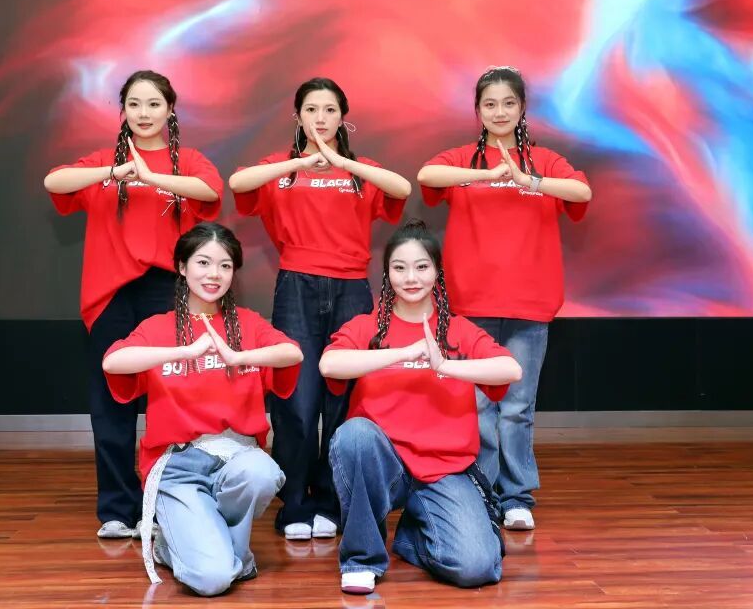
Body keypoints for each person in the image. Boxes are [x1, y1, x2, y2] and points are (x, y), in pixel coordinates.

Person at [228, 77, 411, 541]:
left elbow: (401, 188)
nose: (321, 118)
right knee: (297, 400)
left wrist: (342, 162)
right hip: (297, 286)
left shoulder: (360, 171)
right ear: (298, 116)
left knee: (344, 400)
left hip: (352, 289)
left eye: (330, 110)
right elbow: (237, 183)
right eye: (312, 110)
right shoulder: (281, 169)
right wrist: (300, 161)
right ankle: (294, 503)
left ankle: (332, 499)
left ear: (343, 117)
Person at [44, 70, 223, 538]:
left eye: (154, 104)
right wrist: (115, 172)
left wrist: (152, 176)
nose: (144, 113)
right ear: (123, 110)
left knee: (174, 398)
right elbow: (54, 181)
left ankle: (171, 502)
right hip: (111, 295)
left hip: (166, 289)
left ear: (170, 110)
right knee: (111, 403)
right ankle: (118, 509)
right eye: (135, 104)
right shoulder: (104, 161)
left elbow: (211, 192)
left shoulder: (187, 161)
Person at [417, 65, 591, 531]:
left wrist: (528, 181)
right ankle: (480, 490)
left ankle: (516, 497)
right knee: (476, 405)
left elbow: (580, 191)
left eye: (508, 103)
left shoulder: (543, 160)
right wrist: (487, 174)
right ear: (477, 110)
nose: (499, 111)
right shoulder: (462, 159)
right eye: (490, 104)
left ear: (522, 108)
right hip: (471, 304)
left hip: (530, 304)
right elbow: (427, 175)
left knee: (516, 408)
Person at [320, 219, 522, 594]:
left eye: (421, 267)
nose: (411, 277)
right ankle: (362, 558)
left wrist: (444, 365)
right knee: (354, 435)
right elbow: (330, 364)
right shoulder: (366, 327)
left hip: (445, 469)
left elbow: (511, 369)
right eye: (399, 268)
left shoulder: (459, 330)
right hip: (386, 466)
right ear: (387, 274)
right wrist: (405, 352)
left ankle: (413, 535)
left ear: (436, 272)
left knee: (476, 568)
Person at [102, 222, 302, 593]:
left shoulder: (247, 324)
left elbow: (292, 353)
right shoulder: (157, 327)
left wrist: (238, 356)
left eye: (225, 265)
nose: (214, 274)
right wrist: (184, 352)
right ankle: (174, 545)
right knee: (212, 580)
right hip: (179, 465)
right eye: (203, 263)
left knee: (263, 473)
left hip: (237, 458)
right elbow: (113, 362)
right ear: (182, 267)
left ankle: (212, 544)